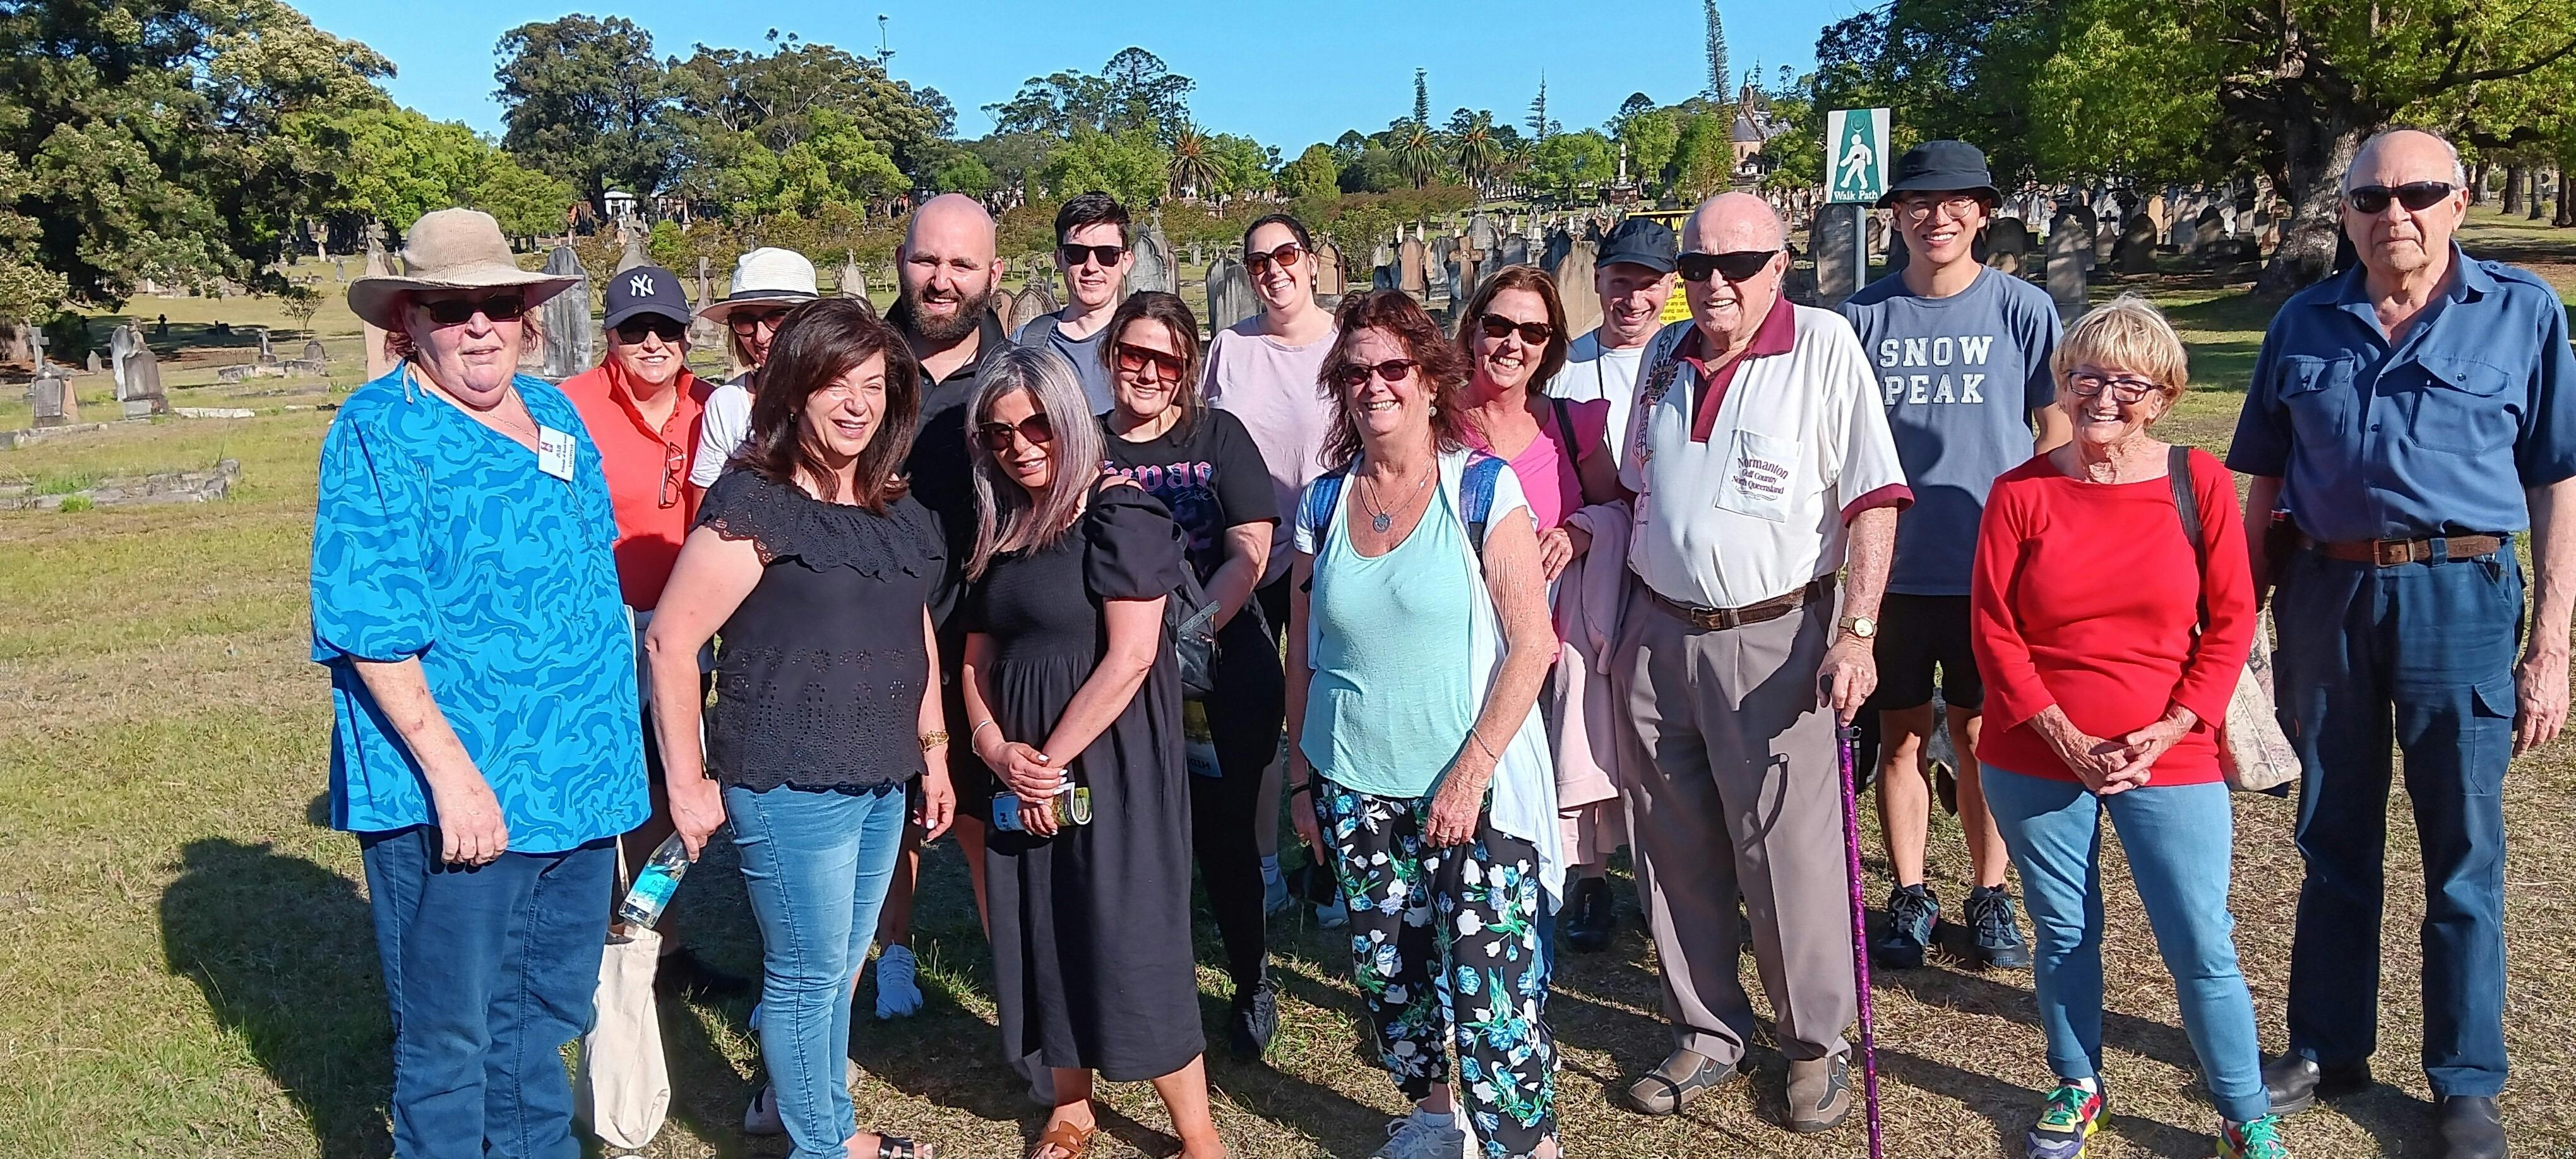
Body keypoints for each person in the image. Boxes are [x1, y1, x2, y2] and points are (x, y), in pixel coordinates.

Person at [2231, 128, 2576, 1159]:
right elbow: (2262, 482)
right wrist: (2241, 623)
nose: (2396, 214)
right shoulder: (2305, 321)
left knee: (2461, 849)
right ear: (2346, 214)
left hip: (2461, 598)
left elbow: (2556, 481)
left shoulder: (2523, 315)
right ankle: (2327, 1047)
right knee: (2331, 835)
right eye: (2372, 198)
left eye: (2419, 194)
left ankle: (2465, 1081)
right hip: (2325, 596)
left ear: (2459, 203)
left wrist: (2553, 644)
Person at [317, 208, 645, 1157]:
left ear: (525, 315)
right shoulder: (379, 429)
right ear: (408, 322)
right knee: (453, 1037)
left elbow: (592, 575)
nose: (478, 326)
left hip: (577, 783)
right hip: (459, 795)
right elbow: (370, 628)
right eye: (451, 307)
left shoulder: (554, 413)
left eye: (498, 304)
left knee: (544, 1020)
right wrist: (455, 780)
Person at [1612, 193, 1909, 1132]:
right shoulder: (1664, 355)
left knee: (1787, 852)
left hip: (1779, 635)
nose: (1714, 283)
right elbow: (1635, 481)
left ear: (1779, 266)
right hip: (1659, 630)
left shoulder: (1822, 346)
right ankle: (1707, 1028)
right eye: (1696, 265)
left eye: (1737, 265)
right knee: (1674, 848)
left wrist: (1857, 630)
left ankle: (1817, 1043)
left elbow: (1873, 499)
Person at [1971, 297, 2286, 1159]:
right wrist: (2060, 732)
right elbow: (1994, 629)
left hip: (2169, 751)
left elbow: (2230, 619)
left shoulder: (2200, 483)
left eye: (2127, 383)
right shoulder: (2021, 491)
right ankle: (2077, 1082)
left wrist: (2179, 722)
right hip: (2034, 750)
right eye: (2085, 376)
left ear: (2164, 395)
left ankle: (2243, 1110)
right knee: (2065, 931)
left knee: (2198, 937)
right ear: (2063, 384)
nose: (2103, 397)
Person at [644, 299, 955, 1159]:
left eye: (876, 386)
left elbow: (912, 627)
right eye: (836, 384)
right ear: (795, 390)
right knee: (807, 973)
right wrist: (686, 782)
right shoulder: (759, 501)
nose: (858, 404)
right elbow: (672, 640)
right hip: (787, 775)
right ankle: (827, 1144)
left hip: (880, 768)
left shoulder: (895, 508)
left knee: (837, 966)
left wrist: (934, 749)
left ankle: (809, 1118)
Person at [1287, 289, 1563, 1159]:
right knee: (1392, 977)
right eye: (1358, 371)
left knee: (1493, 994)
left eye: (1394, 368)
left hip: (1468, 787)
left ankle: (1524, 1144)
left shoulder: (1481, 488)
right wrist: (1303, 776)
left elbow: (1534, 645)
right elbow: (1306, 653)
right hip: (1355, 784)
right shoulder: (1322, 502)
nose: (1376, 386)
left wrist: (1473, 770)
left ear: (1432, 379)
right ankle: (1436, 1118)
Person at [957, 345, 1224, 1159]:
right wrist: (994, 744)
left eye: (1038, 424)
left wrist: (1050, 757)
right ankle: (1071, 1107)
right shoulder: (1002, 527)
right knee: (1045, 921)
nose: (1021, 445)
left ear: (1071, 418)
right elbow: (976, 654)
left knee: (1131, 928)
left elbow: (1134, 655)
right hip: (1020, 762)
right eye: (1000, 434)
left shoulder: (1121, 515)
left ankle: (1198, 1135)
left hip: (1109, 758)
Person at [1839, 140, 2069, 973]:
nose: (1937, 218)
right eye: (1918, 204)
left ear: (1982, 211)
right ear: (1895, 215)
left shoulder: (2023, 311)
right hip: (1893, 573)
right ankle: (1909, 892)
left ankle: (1990, 890)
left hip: (1991, 573)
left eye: (1955, 202)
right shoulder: (1862, 317)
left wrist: (2050, 547)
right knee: (1900, 737)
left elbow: (2053, 434)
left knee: (1980, 736)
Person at [1095, 291, 1286, 1058]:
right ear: (1111, 357)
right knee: (1141, 841)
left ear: (1186, 370)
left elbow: (1250, 547)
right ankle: (1154, 990)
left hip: (1221, 668)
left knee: (1225, 837)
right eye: (1130, 355)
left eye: (1162, 360)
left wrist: (1194, 630)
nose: (1145, 372)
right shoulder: (1085, 441)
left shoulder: (1219, 435)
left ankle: (1251, 979)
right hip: (1118, 674)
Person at [558, 263, 749, 999]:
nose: (652, 343)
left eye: (666, 329)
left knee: (669, 784)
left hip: (687, 627)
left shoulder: (713, 406)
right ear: (610, 336)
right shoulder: (567, 408)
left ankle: (655, 944)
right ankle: (590, 945)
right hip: (600, 627)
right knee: (597, 783)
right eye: (634, 330)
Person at [1452, 265, 1628, 956]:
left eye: (1532, 331)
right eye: (1498, 325)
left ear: (1550, 345)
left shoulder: (1569, 423)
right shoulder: (1436, 418)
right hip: (1462, 652)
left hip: (1548, 649)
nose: (1512, 343)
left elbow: (1620, 505)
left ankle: (1555, 907)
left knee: (1538, 804)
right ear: (1473, 330)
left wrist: (1582, 529)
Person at [878, 193, 1015, 1028]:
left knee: (976, 816)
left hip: (977, 630)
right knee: (879, 817)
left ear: (993, 274)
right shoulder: (863, 361)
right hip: (874, 624)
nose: (942, 279)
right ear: (902, 259)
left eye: (963, 264)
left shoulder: (1019, 371)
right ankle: (890, 954)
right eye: (928, 259)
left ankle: (1021, 991)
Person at [1204, 211, 1342, 920]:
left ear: (1312, 260)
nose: (1273, 270)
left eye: (1286, 253)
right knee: (1256, 720)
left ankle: (1334, 865)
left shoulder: (1348, 344)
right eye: (1258, 261)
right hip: (1251, 557)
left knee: (1332, 713)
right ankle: (1264, 862)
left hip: (1338, 556)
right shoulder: (1230, 349)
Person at [1546, 215, 1680, 470]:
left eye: (1650, 285)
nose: (1634, 301)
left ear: (1672, 285)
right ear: (1597, 280)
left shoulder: (1688, 360)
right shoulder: (1562, 365)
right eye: (1621, 283)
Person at [691, 247, 821, 487]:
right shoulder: (728, 404)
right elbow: (705, 501)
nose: (760, 336)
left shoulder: (849, 393)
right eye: (744, 321)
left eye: (777, 318)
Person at [1014, 191, 1134, 413]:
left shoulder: (1150, 344)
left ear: (1126, 262)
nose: (1091, 267)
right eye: (1076, 253)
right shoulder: (1026, 344)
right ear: (1059, 259)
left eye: (1107, 254)